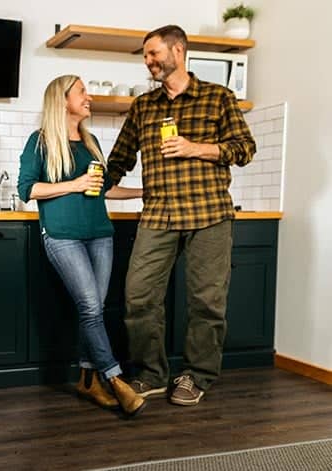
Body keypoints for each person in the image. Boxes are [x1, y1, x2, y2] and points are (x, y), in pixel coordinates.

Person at [107, 25, 256, 406]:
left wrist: (196, 147)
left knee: (207, 302)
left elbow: (244, 148)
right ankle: (152, 374)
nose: (148, 61)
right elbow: (120, 159)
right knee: (138, 296)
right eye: (144, 56)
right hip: (158, 214)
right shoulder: (144, 106)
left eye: (153, 53)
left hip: (209, 214)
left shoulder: (217, 98)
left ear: (178, 50)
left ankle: (197, 376)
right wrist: (89, 184)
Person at [17, 75, 145, 418]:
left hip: (100, 234)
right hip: (62, 236)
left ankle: (88, 380)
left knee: (95, 310)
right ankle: (115, 379)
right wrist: (73, 184)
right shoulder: (40, 142)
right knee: (90, 306)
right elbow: (26, 190)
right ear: (62, 101)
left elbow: (102, 190)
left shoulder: (91, 143)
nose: (89, 97)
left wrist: (143, 193)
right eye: (82, 92)